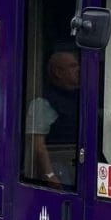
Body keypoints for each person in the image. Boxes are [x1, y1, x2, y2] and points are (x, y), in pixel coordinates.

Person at [26, 48, 81, 186]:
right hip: (58, 169)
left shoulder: (81, 100)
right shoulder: (42, 103)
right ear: (58, 72)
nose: (79, 69)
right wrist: (49, 175)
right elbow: (37, 146)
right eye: (73, 66)